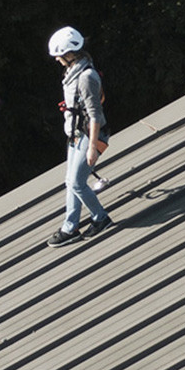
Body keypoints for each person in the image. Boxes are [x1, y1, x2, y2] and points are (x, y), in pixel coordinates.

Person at [47, 26, 113, 247]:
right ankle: (70, 226)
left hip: (90, 135)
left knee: (76, 182)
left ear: (68, 54)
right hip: (76, 134)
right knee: (71, 182)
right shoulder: (72, 72)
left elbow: (95, 115)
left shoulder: (86, 77)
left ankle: (100, 218)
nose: (57, 60)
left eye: (59, 56)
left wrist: (92, 147)